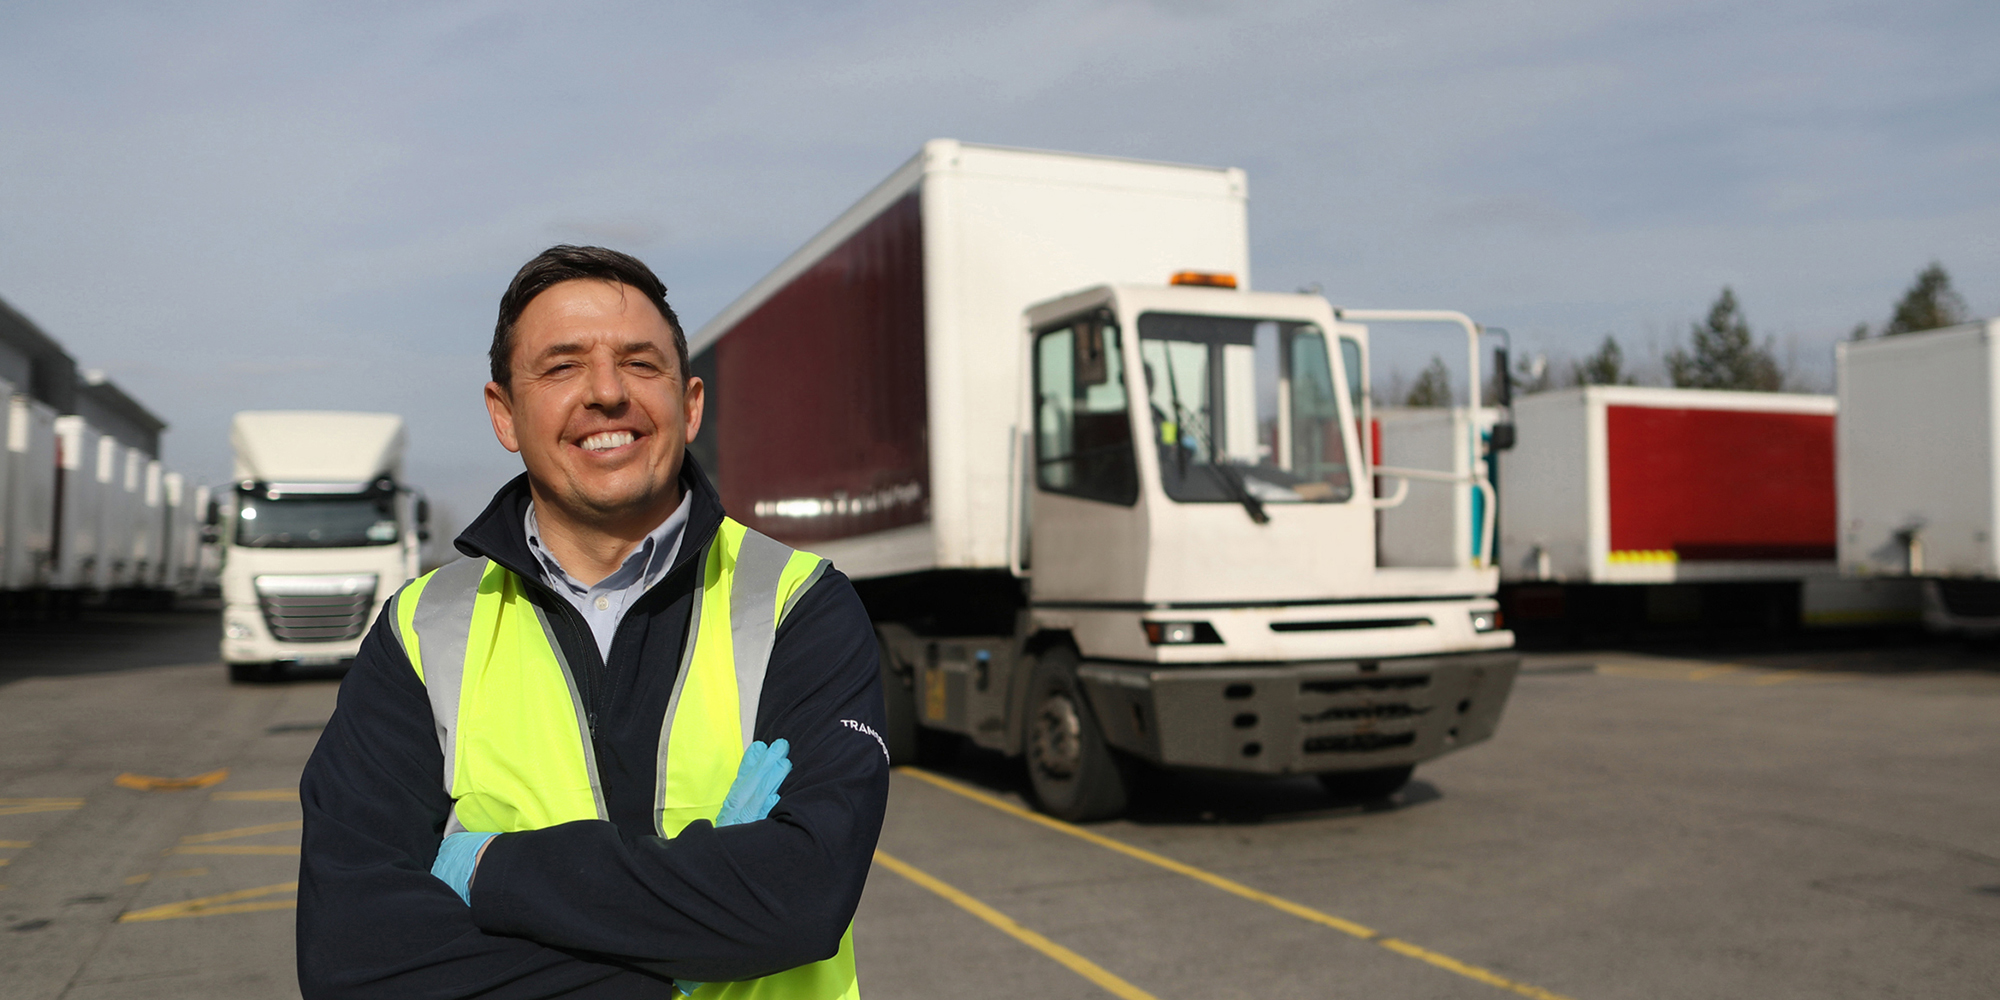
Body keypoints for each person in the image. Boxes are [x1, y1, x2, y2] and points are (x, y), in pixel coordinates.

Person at [297, 245, 890, 999]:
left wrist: (489, 872)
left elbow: (800, 902)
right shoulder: (423, 631)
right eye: (562, 366)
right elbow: (353, 958)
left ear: (692, 402)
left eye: (642, 364)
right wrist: (698, 945)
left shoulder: (797, 604)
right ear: (504, 414)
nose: (607, 392)